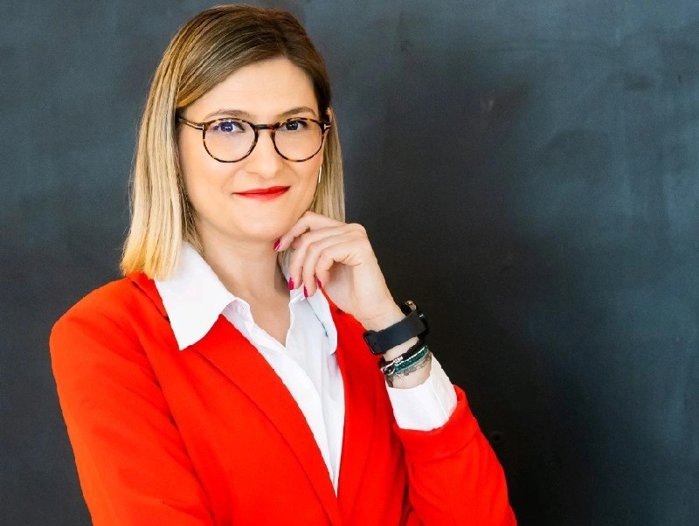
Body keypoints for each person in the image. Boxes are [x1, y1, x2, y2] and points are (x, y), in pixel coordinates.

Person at [50, 5, 516, 525]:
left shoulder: (360, 323)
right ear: (171, 143)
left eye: (293, 124)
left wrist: (393, 333)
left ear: (324, 136)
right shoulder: (109, 337)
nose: (268, 162)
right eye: (229, 126)